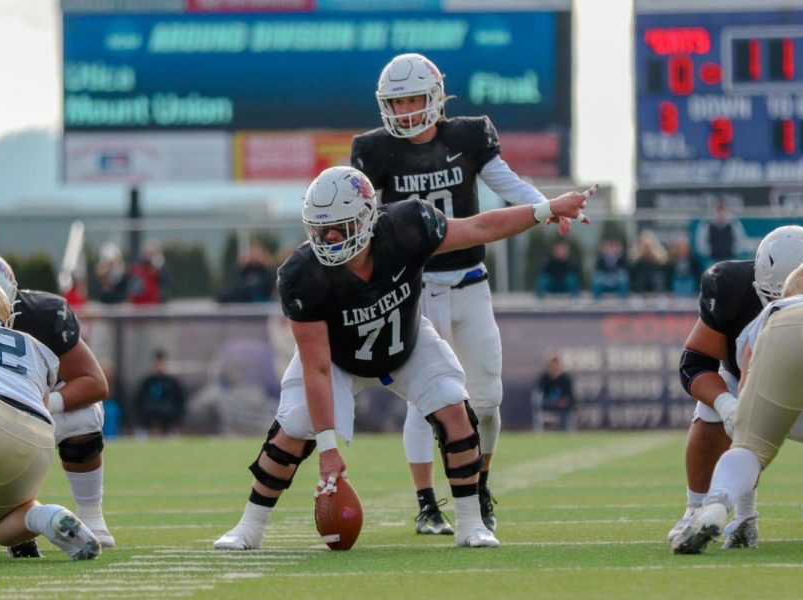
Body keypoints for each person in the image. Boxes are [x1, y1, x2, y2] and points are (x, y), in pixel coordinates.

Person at [213, 165, 592, 551]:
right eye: (320, 229)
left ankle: (471, 523)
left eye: (340, 227)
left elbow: (478, 228)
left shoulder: (407, 226)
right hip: (340, 360)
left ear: (366, 217)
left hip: (406, 345)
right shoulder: (301, 274)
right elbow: (317, 366)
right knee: (293, 424)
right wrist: (328, 451)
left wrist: (544, 209)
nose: (328, 238)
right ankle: (250, 527)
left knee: (453, 402)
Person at [350, 53, 582, 535]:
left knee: (488, 400)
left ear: (435, 97)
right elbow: (363, 219)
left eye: (414, 98)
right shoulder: (374, 152)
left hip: (471, 281)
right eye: (397, 101)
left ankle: (478, 489)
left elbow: (507, 185)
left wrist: (546, 207)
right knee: (425, 398)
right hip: (414, 288)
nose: (406, 109)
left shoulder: (468, 136)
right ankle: (426, 504)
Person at [668, 225, 803, 550]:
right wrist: (727, 404)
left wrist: (743, 415)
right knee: (713, 409)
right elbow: (695, 363)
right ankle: (703, 509)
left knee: (747, 442)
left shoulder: (765, 325)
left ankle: (719, 508)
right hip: (777, 387)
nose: (782, 305)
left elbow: (751, 391)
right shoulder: (733, 290)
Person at [0, 251, 114, 556]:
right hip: (31, 436)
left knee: (84, 414)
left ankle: (91, 516)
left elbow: (94, 382)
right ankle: (42, 517)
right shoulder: (34, 345)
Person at [134, 349, 187, 436]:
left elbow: (179, 403)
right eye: (157, 362)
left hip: (168, 424)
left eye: (161, 362)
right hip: (147, 424)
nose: (158, 365)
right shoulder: (147, 383)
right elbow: (138, 403)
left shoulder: (172, 383)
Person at [531, 352, 576, 431]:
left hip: (562, 405)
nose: (554, 367)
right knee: (541, 407)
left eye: (555, 364)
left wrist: (564, 401)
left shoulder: (565, 379)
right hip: (548, 403)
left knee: (566, 410)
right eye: (552, 365)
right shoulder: (545, 378)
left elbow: (569, 395)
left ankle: (564, 433)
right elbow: (540, 391)